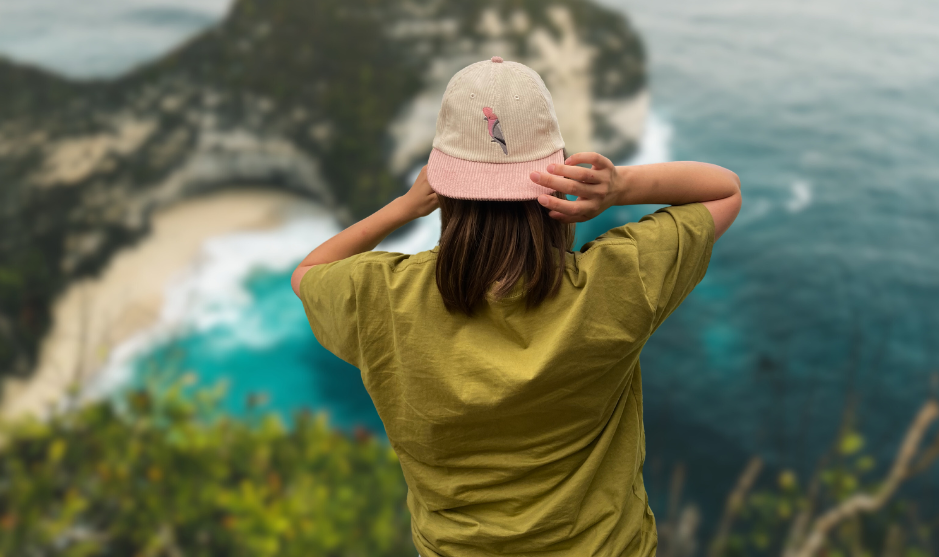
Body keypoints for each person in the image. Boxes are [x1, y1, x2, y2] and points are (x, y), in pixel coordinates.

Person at [292, 56, 741, 557]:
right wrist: (619, 189)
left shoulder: (380, 297)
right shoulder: (617, 283)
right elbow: (724, 190)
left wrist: (405, 206)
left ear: (443, 187)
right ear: (557, 176)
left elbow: (307, 274)